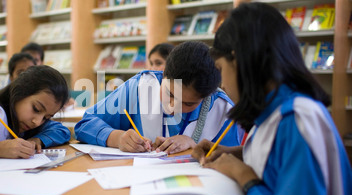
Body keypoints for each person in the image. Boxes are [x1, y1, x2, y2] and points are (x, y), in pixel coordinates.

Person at [191, 3, 352, 195]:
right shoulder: (277, 111)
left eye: (220, 69)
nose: (223, 85)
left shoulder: (297, 120)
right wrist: (233, 153)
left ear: (237, 60)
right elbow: (277, 159)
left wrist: (243, 175)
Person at [75, 41, 243, 154]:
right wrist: (116, 138)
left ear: (209, 95)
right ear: (163, 75)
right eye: (170, 93)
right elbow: (84, 124)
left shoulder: (223, 110)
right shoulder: (139, 87)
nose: (172, 105)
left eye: (188, 103)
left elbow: (232, 162)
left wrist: (194, 145)